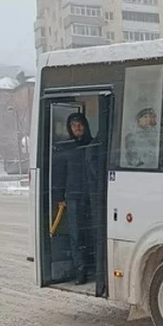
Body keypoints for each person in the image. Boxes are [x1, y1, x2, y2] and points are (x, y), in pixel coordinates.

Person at [53, 111, 104, 286]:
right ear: (70, 128)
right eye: (74, 125)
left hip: (93, 196)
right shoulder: (66, 147)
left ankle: (97, 271)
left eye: (80, 124)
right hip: (73, 198)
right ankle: (80, 272)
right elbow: (59, 175)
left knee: (95, 234)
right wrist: (59, 196)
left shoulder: (94, 144)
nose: (78, 128)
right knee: (76, 236)